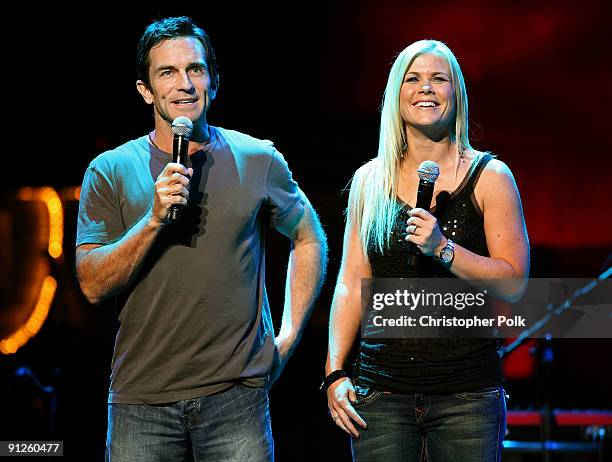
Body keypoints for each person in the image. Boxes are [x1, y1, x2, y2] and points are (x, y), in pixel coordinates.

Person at [75, 16, 327, 461]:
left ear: (214, 81)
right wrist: (154, 219)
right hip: (142, 402)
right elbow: (93, 284)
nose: (184, 84)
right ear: (145, 90)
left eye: (195, 70)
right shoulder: (109, 169)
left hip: (237, 398)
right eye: (167, 73)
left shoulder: (257, 158)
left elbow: (309, 237)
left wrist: (286, 339)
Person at [324, 39, 529, 461]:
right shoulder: (370, 181)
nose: (426, 88)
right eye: (413, 79)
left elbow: (514, 283)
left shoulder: (491, 176)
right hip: (380, 397)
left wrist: (444, 248)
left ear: (457, 94)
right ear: (397, 93)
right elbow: (350, 282)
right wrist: (334, 371)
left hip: (466, 396)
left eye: (439, 79)